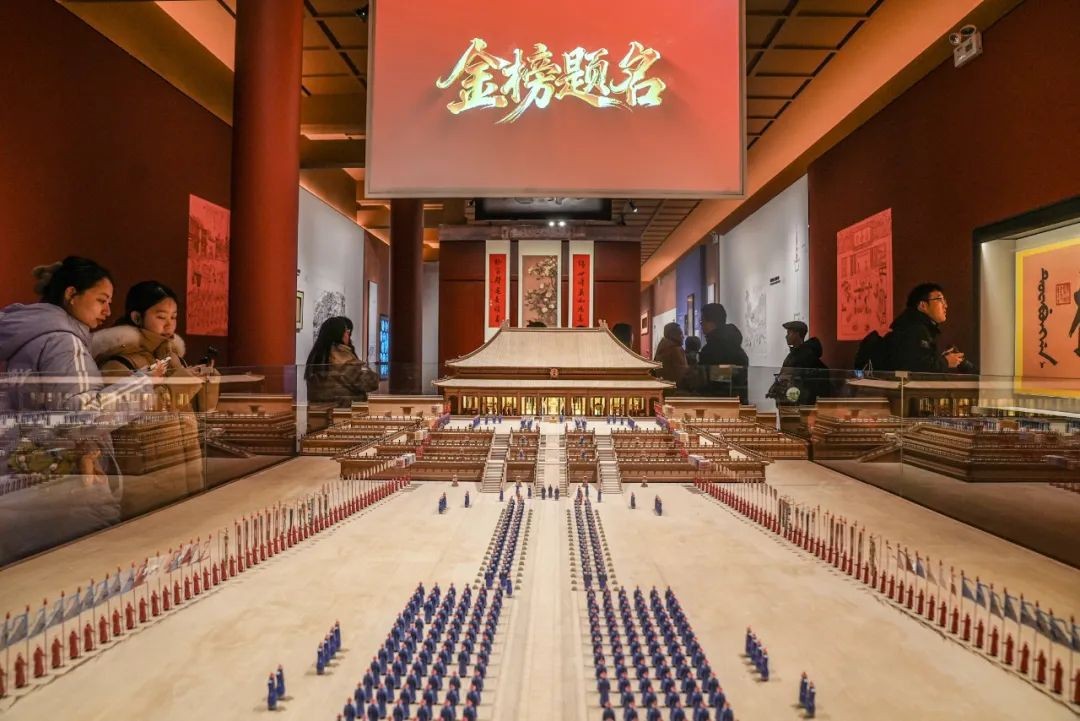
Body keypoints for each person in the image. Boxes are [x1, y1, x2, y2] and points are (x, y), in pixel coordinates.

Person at [0, 257, 152, 564]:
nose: (107, 311)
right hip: (66, 488)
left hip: (20, 483)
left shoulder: (25, 339)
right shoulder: (64, 343)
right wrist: (142, 385)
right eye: (101, 300)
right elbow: (81, 417)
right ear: (71, 294)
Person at [91, 280, 218, 506]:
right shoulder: (118, 362)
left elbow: (197, 412)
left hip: (183, 465)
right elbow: (124, 415)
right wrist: (182, 384)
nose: (169, 324)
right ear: (137, 317)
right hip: (146, 475)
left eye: (174, 317)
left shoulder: (173, 358)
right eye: (161, 317)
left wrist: (206, 381)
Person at [883, 283, 968, 373]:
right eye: (940, 300)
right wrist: (946, 362)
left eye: (945, 301)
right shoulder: (913, 328)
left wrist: (940, 358)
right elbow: (915, 366)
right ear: (923, 306)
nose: (945, 306)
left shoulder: (918, 325)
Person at [305, 316, 379, 406]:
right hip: (343, 411)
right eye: (347, 332)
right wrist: (364, 367)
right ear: (341, 334)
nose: (348, 335)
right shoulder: (343, 358)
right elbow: (371, 382)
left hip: (317, 412)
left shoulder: (316, 356)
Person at [766, 320, 830, 405]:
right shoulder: (794, 355)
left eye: (789, 333)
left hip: (799, 404)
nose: (786, 336)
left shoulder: (806, 356)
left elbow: (806, 383)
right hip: (792, 402)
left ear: (797, 334)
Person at [697, 304, 748, 402]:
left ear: (711, 323)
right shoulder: (735, 345)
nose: (701, 325)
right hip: (738, 400)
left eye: (702, 321)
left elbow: (708, 381)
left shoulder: (711, 349)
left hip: (717, 401)